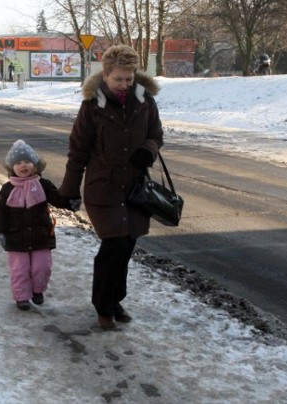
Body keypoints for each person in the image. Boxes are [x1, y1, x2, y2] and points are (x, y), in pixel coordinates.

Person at [58, 45, 164, 329]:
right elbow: (78, 150)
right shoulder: (92, 106)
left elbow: (156, 134)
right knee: (114, 243)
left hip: (134, 189)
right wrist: (69, 190)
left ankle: (116, 298)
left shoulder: (145, 100)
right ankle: (103, 305)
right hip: (103, 187)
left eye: (129, 78)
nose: (125, 85)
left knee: (127, 244)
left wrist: (148, 150)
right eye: (119, 79)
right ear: (105, 75)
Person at [0, 140, 76, 311]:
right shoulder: (7, 189)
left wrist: (70, 203)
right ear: (11, 168)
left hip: (41, 235)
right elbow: (0, 212)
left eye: (27, 161)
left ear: (35, 164)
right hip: (15, 237)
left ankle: (38, 290)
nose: (23, 165)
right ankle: (22, 297)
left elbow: (57, 198)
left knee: (42, 267)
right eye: (18, 163)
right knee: (20, 269)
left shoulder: (43, 185)